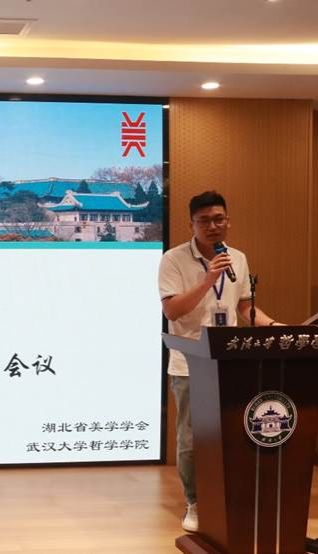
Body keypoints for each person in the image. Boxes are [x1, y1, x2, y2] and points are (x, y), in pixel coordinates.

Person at [158, 190, 282, 533]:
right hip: (189, 363)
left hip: (230, 361)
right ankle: (195, 501)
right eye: (204, 221)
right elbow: (172, 310)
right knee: (191, 438)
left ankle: (228, 498)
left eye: (219, 219)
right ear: (192, 224)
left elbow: (244, 307)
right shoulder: (173, 259)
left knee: (231, 433)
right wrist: (208, 279)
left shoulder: (237, 258)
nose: (213, 226)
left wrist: (275, 326)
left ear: (228, 220)